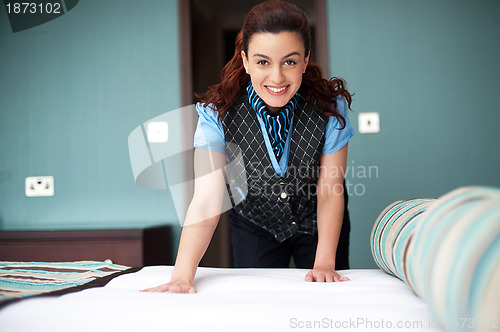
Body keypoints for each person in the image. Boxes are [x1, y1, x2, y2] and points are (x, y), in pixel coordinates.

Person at [144, 0, 353, 293]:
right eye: (263, 62)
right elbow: (206, 199)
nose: (277, 77)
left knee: (327, 298)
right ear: (245, 61)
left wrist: (324, 264)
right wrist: (182, 276)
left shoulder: (330, 108)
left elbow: (331, 191)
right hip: (255, 227)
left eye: (290, 62)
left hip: (320, 224)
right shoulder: (215, 114)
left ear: (306, 60)